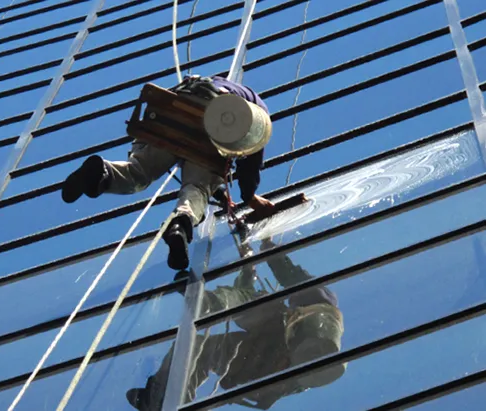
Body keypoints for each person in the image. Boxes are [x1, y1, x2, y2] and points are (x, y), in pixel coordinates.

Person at [61, 76, 276, 270]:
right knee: (197, 189)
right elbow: (251, 159)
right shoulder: (257, 112)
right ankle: (180, 225)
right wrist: (250, 197)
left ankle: (102, 172)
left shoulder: (210, 81)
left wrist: (219, 193)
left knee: (138, 173)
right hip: (210, 132)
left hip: (174, 115)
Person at [126, 238, 345, 410]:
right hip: (265, 361)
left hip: (269, 353)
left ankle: (208, 304)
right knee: (198, 347)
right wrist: (249, 269)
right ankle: (169, 398)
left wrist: (267, 246)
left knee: (247, 305)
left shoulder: (321, 301)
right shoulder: (298, 375)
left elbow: (286, 275)